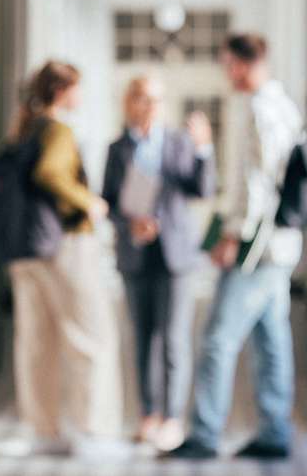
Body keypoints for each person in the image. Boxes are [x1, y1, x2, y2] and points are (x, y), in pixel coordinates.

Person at [166, 33, 303, 461]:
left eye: (228, 65)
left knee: (217, 340)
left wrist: (233, 238)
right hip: (281, 245)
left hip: (257, 249)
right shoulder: (286, 107)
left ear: (243, 64)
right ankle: (274, 431)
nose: (226, 74)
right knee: (271, 339)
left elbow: (256, 184)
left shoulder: (261, 110)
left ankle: (205, 434)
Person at [6, 61, 122, 455]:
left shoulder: (24, 129)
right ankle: (94, 432)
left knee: (38, 340)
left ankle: (45, 431)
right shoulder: (58, 129)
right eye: (78, 88)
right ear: (63, 91)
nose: (81, 96)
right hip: (65, 244)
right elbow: (51, 173)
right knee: (91, 337)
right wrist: (88, 201)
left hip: (26, 248)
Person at [102, 76, 215, 450]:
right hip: (136, 254)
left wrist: (204, 150)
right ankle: (148, 414)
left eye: (156, 100)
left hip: (176, 256)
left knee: (174, 338)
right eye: (141, 98)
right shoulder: (117, 149)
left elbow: (201, 189)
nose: (149, 106)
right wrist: (130, 222)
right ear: (128, 102)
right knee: (142, 338)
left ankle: (172, 417)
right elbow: (109, 202)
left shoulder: (180, 143)